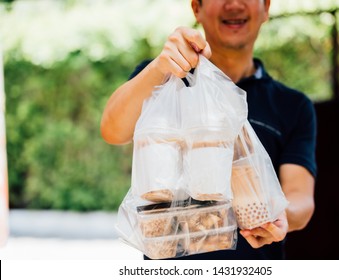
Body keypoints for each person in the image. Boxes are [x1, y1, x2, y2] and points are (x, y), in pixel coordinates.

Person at [101, 0, 316, 260]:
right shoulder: (164, 78)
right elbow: (113, 130)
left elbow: (301, 198)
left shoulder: (292, 105)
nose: (234, 4)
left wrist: (278, 213)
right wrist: (159, 67)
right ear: (196, 8)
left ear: (266, 7)